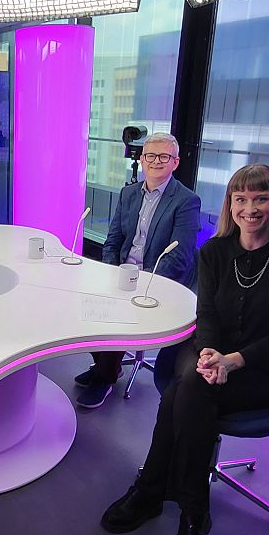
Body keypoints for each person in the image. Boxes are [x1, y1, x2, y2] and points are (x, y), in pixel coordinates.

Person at [99, 163, 269, 535]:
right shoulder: (214, 252)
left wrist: (232, 361)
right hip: (213, 358)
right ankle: (193, 516)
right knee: (190, 386)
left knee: (185, 390)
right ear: (230, 205)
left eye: (260, 199)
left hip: (261, 370)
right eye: (241, 199)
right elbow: (208, 313)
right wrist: (212, 353)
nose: (250, 209)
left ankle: (156, 496)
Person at [74, 132, 200, 408]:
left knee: (118, 315)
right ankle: (107, 366)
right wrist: (108, 272)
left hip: (158, 279)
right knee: (84, 306)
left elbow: (179, 255)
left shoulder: (186, 201)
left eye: (164, 157)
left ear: (175, 162)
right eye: (150, 156)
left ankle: (105, 377)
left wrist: (144, 284)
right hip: (122, 273)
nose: (156, 161)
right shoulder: (128, 193)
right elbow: (114, 239)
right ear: (142, 159)